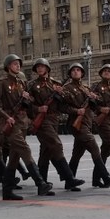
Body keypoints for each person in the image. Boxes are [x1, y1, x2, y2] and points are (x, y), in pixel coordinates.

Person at [0, 54, 54, 200]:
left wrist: (27, 99)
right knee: (25, 149)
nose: (18, 65)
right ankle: (40, 183)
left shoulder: (21, 83)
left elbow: (27, 104)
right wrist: (5, 117)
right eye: (14, 63)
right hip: (10, 124)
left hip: (22, 123)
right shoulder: (2, 83)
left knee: (14, 157)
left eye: (19, 63)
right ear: (8, 66)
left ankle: (7, 191)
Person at [27, 58, 85, 191]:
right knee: (56, 145)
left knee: (46, 151)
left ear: (47, 68)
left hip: (54, 120)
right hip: (41, 121)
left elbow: (68, 102)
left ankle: (42, 184)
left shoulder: (56, 83)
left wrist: (61, 92)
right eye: (38, 67)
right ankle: (69, 178)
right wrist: (38, 109)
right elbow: (26, 105)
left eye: (42, 66)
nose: (40, 69)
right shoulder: (31, 85)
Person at [63, 63, 110, 188]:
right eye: (73, 70)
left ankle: (69, 181)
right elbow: (62, 107)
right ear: (70, 74)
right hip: (76, 124)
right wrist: (76, 111)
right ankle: (105, 176)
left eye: (78, 70)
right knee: (94, 147)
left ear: (82, 73)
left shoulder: (86, 88)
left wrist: (94, 99)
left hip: (87, 123)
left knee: (77, 153)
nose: (76, 72)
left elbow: (95, 106)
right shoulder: (67, 88)